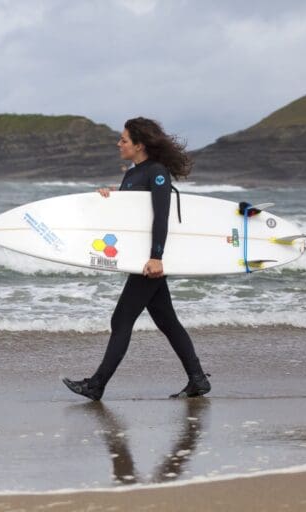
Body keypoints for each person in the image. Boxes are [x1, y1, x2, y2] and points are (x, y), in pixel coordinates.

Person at [62, 117, 210, 400]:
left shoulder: (157, 173)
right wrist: (110, 197)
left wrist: (156, 257)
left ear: (139, 145)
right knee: (167, 322)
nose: (119, 144)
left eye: (124, 140)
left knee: (121, 319)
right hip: (140, 259)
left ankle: (96, 385)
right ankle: (198, 379)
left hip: (149, 261)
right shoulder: (132, 174)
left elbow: (161, 216)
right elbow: (132, 215)